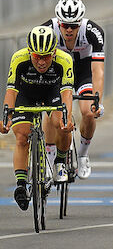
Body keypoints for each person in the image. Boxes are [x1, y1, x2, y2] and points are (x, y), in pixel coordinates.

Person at [2, 26, 74, 211]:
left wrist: (67, 119)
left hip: (52, 92)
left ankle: (60, 161)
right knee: (21, 136)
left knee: (62, 123)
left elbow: (66, 94)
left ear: (54, 52)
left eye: (46, 56)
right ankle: (20, 185)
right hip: (26, 94)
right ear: (29, 52)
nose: (41, 62)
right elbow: (11, 91)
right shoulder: (19, 58)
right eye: (37, 57)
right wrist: (6, 117)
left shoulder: (64, 60)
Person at [42, 0, 105, 179]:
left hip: (83, 71)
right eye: (65, 25)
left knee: (88, 111)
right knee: (52, 110)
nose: (69, 30)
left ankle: (83, 155)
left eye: (74, 25)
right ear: (58, 23)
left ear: (81, 23)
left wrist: (97, 101)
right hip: (58, 73)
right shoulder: (48, 29)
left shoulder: (94, 31)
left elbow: (98, 71)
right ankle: (49, 156)